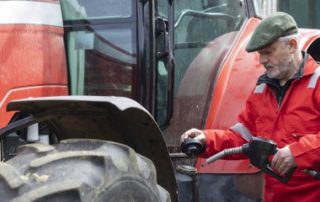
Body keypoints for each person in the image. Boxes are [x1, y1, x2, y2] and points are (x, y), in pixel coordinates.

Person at [180, 12, 320, 202]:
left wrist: (299, 153)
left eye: (268, 52)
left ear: (292, 45)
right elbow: (242, 137)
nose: (261, 60)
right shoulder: (261, 91)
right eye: (260, 54)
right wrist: (206, 139)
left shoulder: (318, 82)